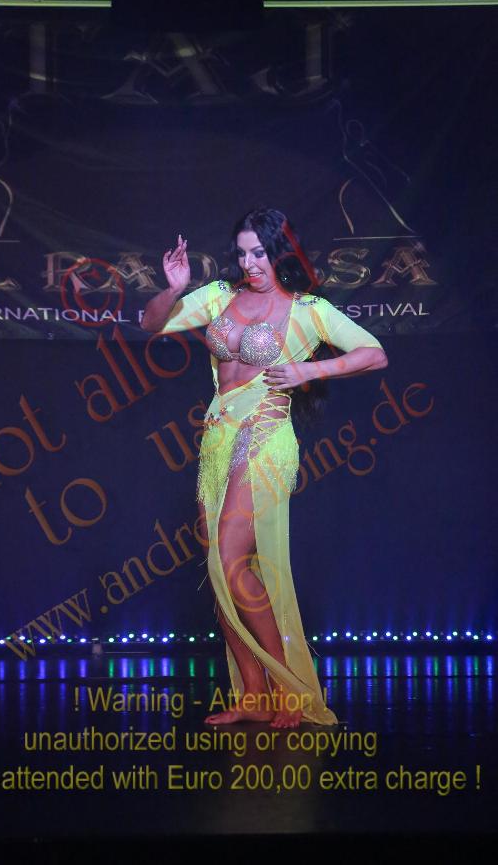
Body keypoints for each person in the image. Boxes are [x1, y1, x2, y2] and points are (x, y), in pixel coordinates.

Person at [141, 207, 388, 728]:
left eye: (259, 252)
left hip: (265, 436)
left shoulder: (308, 309)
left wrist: (310, 369)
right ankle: (253, 693)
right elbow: (151, 323)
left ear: (280, 251)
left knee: (230, 559)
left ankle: (288, 689)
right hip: (217, 437)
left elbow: (374, 353)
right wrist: (174, 288)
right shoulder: (218, 297)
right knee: (219, 568)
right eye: (242, 253)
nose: (250, 263)